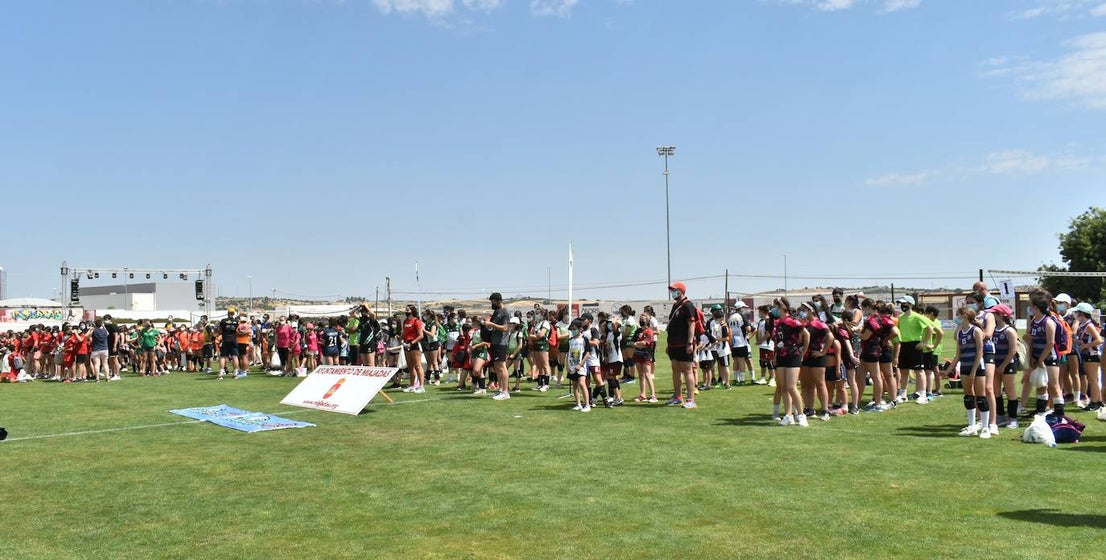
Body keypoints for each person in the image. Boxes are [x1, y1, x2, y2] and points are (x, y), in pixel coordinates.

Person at [944, 306, 991, 438]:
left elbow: (980, 352)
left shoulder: (976, 331)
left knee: (981, 397)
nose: (956, 318)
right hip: (965, 366)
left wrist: (974, 371)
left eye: (958, 315)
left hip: (977, 367)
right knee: (968, 396)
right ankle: (971, 426)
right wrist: (947, 371)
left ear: (964, 315)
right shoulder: (960, 333)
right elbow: (958, 354)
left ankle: (986, 428)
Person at [772, 298, 809, 426]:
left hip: (793, 355)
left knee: (791, 386)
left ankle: (801, 415)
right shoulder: (777, 323)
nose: (775, 309)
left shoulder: (793, 322)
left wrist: (803, 349)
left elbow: (806, 334)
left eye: (778, 306)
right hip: (781, 355)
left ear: (783, 308)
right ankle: (788, 415)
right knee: (783, 387)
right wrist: (776, 354)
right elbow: (777, 340)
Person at [894, 296, 933, 404]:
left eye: (904, 304)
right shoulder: (901, 318)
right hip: (904, 345)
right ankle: (903, 394)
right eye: (901, 304)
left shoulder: (917, 317)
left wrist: (924, 342)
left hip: (915, 345)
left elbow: (929, 328)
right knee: (904, 370)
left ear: (910, 305)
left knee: (919, 371)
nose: (902, 306)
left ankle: (923, 394)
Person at [665, 282, 698, 409]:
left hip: (684, 343)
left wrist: (689, 343)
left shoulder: (688, 305)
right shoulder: (675, 306)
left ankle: (691, 399)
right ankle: (677, 396)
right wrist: (669, 344)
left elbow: (692, 324)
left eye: (674, 290)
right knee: (675, 369)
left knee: (687, 370)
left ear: (681, 291)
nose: (672, 292)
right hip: (674, 344)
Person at [989, 304, 1020, 429]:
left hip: (1008, 365)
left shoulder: (1009, 331)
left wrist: (1003, 366)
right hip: (995, 364)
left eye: (994, 313)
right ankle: (1000, 416)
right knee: (996, 391)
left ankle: (1013, 419)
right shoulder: (993, 329)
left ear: (1001, 315)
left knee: (1010, 391)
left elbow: (1012, 351)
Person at [1073, 302, 1102, 411]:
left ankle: (1094, 403)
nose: (1075, 314)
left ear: (1082, 313)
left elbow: (1099, 340)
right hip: (1087, 355)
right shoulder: (1083, 325)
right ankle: (1098, 400)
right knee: (1092, 379)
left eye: (1077, 312)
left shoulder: (1089, 325)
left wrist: (1085, 346)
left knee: (1092, 379)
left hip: (1092, 355)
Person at [485, 293, 512, 401]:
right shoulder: (496, 312)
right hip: (495, 342)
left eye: (493, 302)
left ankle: (505, 392)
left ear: (498, 300)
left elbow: (505, 328)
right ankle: (500, 390)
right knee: (497, 368)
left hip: (501, 343)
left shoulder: (505, 312)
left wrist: (492, 325)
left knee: (502, 367)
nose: (492, 304)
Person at [565, 319, 591, 412]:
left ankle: (587, 404)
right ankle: (578, 404)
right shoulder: (570, 340)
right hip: (572, 366)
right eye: (571, 329)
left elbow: (587, 354)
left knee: (582, 383)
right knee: (575, 385)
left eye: (574, 328)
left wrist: (580, 364)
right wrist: (567, 365)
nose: (573, 331)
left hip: (581, 366)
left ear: (580, 329)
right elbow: (568, 354)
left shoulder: (584, 339)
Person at [632, 313, 657, 402]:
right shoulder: (638, 331)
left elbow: (645, 343)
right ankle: (643, 395)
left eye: (644, 319)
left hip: (646, 355)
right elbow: (632, 342)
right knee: (641, 375)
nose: (642, 320)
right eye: (641, 318)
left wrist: (637, 344)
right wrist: (637, 344)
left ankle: (653, 396)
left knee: (647, 375)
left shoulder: (649, 331)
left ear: (647, 321)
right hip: (637, 355)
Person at [401, 305, 425, 392]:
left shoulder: (416, 321)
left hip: (414, 345)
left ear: (412, 311)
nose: (406, 311)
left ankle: (421, 386)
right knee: (410, 366)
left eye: (408, 310)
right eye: (406, 309)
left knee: (418, 366)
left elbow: (421, 335)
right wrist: (400, 337)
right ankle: (412, 385)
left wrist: (411, 343)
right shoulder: (405, 321)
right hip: (407, 344)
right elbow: (404, 334)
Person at [728, 302, 752, 385]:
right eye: (744, 308)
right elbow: (748, 329)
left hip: (733, 342)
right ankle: (742, 380)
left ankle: (735, 379)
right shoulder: (742, 316)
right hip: (741, 342)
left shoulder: (730, 317)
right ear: (741, 308)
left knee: (735, 360)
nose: (744, 309)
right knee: (741, 360)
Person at [755, 305, 776, 387]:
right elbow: (758, 331)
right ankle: (763, 378)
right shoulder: (761, 321)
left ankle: (772, 379)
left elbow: (768, 334)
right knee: (762, 362)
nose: (758, 313)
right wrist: (758, 340)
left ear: (764, 312)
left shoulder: (768, 321)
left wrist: (760, 341)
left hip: (768, 345)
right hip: (762, 345)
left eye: (759, 311)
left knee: (769, 362)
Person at [217, 307, 240, 380]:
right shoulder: (236, 321)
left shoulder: (223, 321)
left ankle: (221, 374)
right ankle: (235, 374)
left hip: (225, 340)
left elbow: (219, 330)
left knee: (223, 357)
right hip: (233, 340)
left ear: (228, 313)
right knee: (235, 356)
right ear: (233, 313)